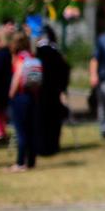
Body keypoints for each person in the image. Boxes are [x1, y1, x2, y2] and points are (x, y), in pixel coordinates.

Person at [8, 32, 43, 172]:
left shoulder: (20, 59)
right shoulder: (32, 57)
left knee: (20, 131)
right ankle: (31, 161)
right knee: (30, 130)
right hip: (32, 97)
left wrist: (11, 94)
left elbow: (17, 77)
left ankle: (20, 162)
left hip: (20, 97)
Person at [34, 26, 70, 156]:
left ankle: (41, 146)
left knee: (41, 119)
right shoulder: (57, 53)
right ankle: (52, 145)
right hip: (54, 91)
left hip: (40, 91)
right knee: (53, 120)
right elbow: (65, 71)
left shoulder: (37, 53)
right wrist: (63, 88)